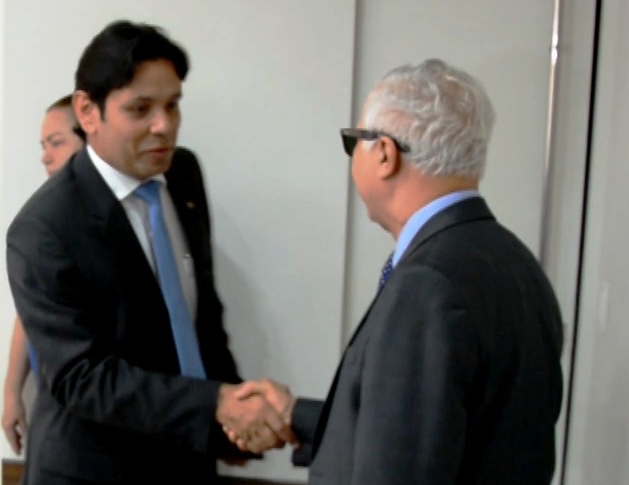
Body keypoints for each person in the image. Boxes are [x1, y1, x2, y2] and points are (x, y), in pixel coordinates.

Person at [233, 59, 564, 484]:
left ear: (385, 154)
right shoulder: (516, 263)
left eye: (354, 142)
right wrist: (295, 415)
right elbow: (436, 430)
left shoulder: (427, 287)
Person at [6, 20, 293, 484]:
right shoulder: (45, 227)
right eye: (140, 109)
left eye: (172, 105)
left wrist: (229, 419)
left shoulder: (183, 174)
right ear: (88, 111)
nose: (164, 126)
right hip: (94, 469)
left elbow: (200, 314)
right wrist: (214, 405)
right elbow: (82, 377)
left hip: (187, 454)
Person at [1, 95, 85, 456]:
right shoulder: (44, 221)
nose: (45, 156)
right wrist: (11, 392)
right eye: (43, 146)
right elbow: (28, 311)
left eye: (56, 143)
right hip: (51, 398)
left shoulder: (109, 221)